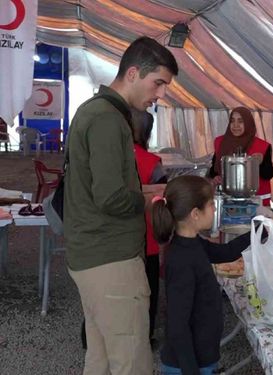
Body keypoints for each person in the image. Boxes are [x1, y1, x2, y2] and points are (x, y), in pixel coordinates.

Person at [64, 36, 178, 375]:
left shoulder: (98, 111)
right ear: (132, 73)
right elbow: (111, 198)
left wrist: (142, 191)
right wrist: (150, 200)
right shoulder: (107, 119)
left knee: (99, 358)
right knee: (131, 362)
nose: (160, 95)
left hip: (93, 255)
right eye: (158, 83)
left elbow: (104, 186)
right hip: (110, 261)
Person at [152, 175, 252, 375]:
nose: (215, 209)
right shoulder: (182, 259)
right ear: (195, 213)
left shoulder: (192, 242)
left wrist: (259, 231)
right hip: (186, 365)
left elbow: (227, 252)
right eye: (211, 204)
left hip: (201, 356)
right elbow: (178, 325)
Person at [132, 109, 167, 343]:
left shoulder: (110, 155)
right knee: (148, 288)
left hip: (116, 235)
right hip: (147, 237)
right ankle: (146, 335)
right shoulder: (152, 162)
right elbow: (160, 202)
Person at [207, 106, 273, 205]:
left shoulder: (262, 146)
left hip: (256, 201)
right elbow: (214, 170)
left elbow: (268, 175)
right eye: (232, 121)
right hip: (228, 200)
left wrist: (259, 163)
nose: (235, 125)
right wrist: (216, 177)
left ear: (248, 123)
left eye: (240, 121)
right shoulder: (220, 142)